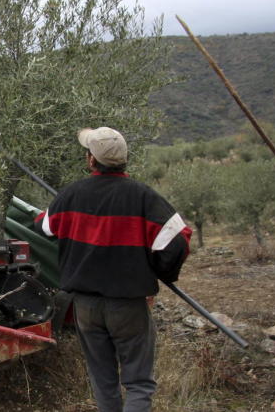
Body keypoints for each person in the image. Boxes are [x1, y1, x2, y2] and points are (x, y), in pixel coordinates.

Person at [36, 127, 191, 412]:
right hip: (128, 304)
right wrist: (158, 272)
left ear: (91, 160)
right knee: (138, 382)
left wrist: (61, 211)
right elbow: (177, 243)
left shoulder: (71, 194)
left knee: (103, 379)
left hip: (85, 306)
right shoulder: (144, 197)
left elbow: (44, 226)